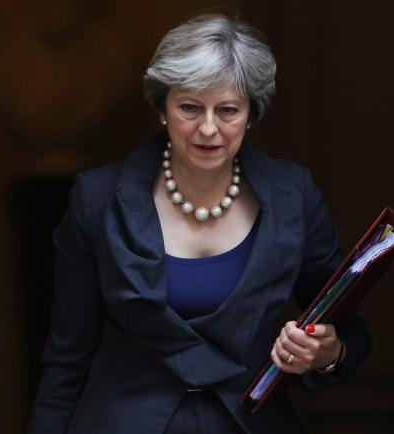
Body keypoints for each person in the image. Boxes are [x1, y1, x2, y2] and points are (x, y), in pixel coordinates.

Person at [27, 14, 370, 434]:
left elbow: (346, 323)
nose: (208, 128)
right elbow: (67, 357)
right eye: (190, 107)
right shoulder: (96, 199)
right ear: (162, 109)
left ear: (251, 114)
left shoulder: (292, 195)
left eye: (227, 110)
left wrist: (327, 352)